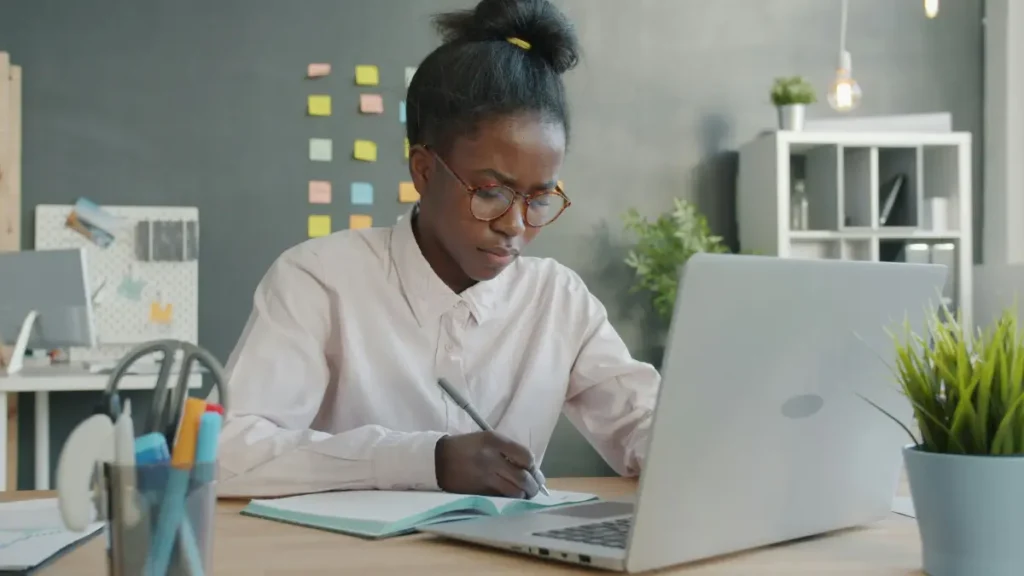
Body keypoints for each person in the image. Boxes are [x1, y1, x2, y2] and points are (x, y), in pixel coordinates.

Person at [217, 0, 660, 499]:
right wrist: (425, 460)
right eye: (490, 192)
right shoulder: (319, 280)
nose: (514, 225)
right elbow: (228, 453)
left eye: (539, 199)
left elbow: (651, 429)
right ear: (424, 172)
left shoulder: (557, 300)